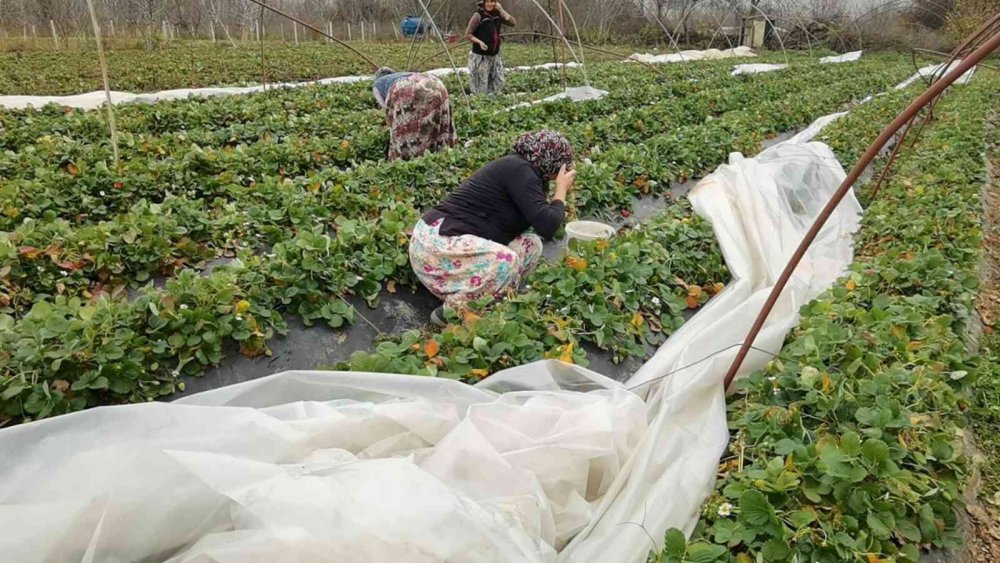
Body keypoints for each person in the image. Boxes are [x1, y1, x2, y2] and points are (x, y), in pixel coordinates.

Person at [409, 130, 576, 326]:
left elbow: (544, 225)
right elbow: (548, 225)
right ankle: (451, 312)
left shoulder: (527, 171)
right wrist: (561, 191)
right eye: (564, 166)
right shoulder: (519, 169)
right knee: (506, 261)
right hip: (435, 244)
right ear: (552, 161)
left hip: (454, 244)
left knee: (531, 245)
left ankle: (493, 298)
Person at [372, 67, 457, 161]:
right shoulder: (402, 75)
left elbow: (387, 108)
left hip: (407, 87)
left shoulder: (377, 85)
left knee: (406, 130)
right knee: (437, 121)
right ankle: (442, 155)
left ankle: (409, 159)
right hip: (436, 82)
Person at [465, 0, 516, 95]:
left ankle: (492, 102)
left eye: (492, 1)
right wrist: (479, 42)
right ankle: (480, 103)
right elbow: (468, 34)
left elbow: (512, 23)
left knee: (498, 81)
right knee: (480, 85)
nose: (489, 4)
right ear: (484, 3)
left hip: (494, 55)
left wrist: (501, 10)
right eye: (487, 1)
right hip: (481, 56)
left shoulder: (498, 14)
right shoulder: (478, 15)